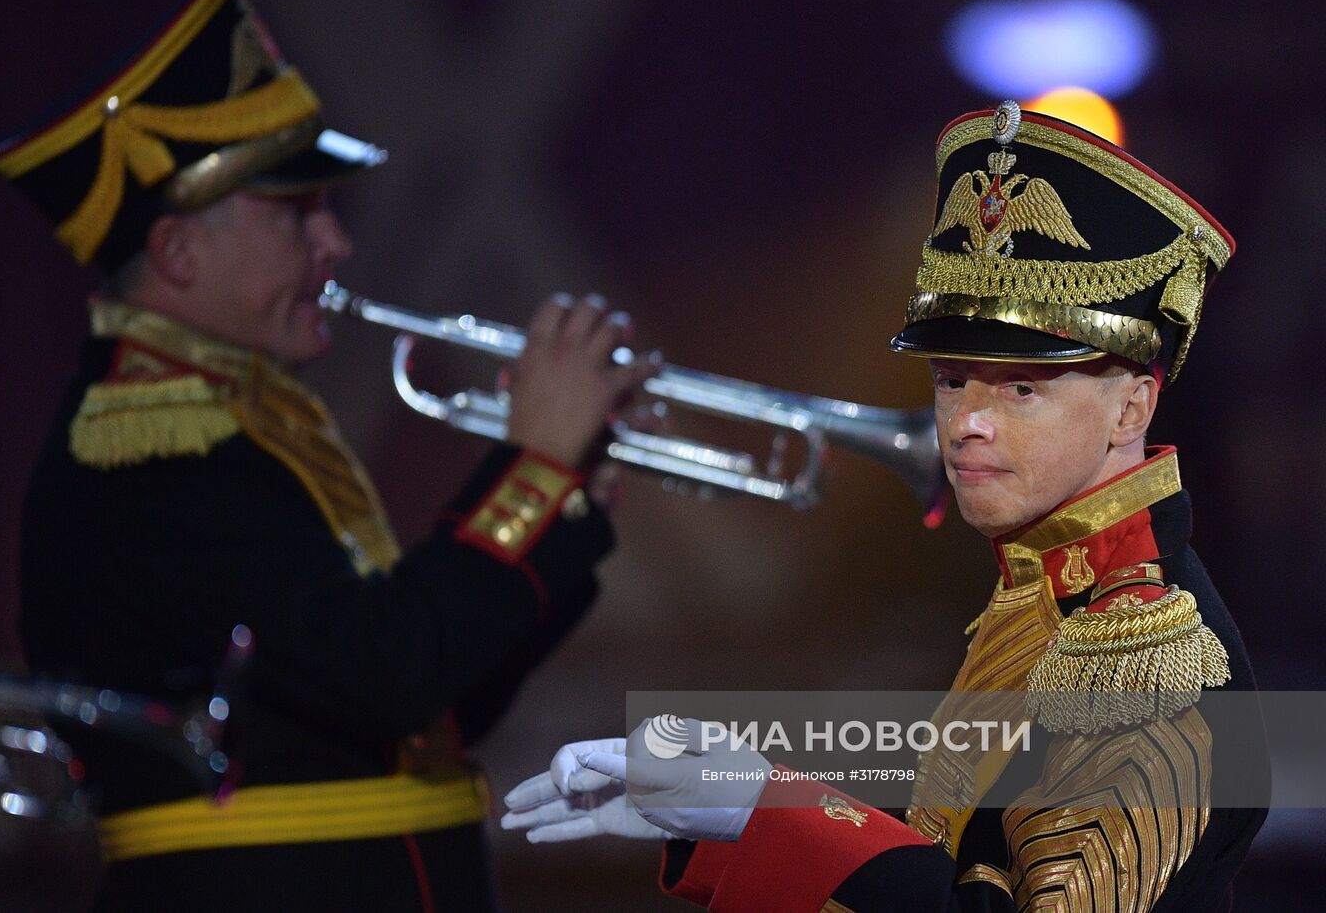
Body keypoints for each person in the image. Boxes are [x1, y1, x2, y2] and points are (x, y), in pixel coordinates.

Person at [502, 102, 1268, 910]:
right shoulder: (1049, 590)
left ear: (1132, 409)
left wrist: (766, 813)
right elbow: (956, 861)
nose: (967, 422)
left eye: (1020, 387)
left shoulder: (1147, 656)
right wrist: (743, 820)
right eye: (949, 380)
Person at [0, 0, 654, 909]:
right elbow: (391, 671)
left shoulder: (238, 422)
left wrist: (562, 502)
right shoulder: (145, 449)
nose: (337, 240)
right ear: (178, 253)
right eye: (298, 214)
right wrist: (533, 469)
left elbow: (420, 712)